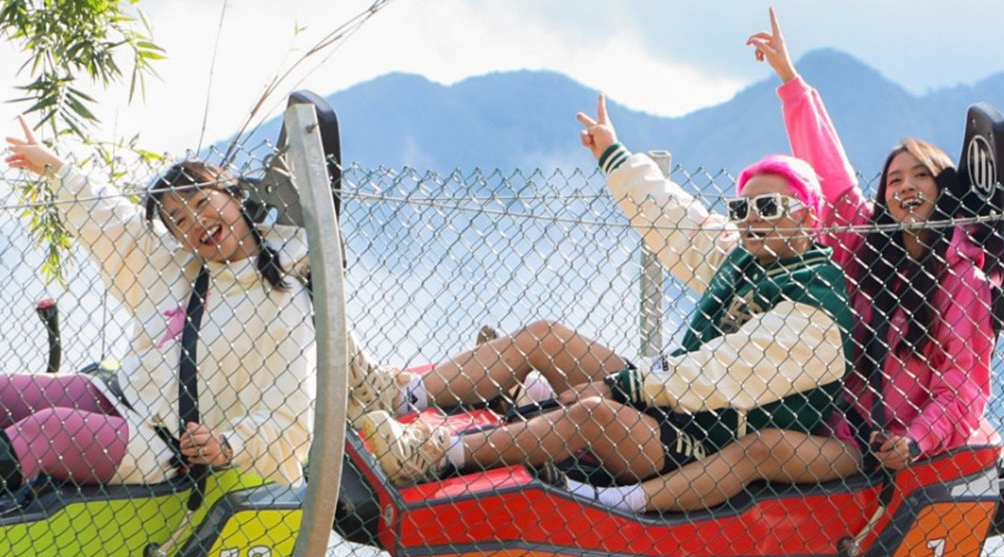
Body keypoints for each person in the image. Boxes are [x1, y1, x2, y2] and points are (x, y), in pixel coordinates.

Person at [0, 122, 376, 517]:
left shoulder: (288, 304)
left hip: (169, 451)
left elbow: (295, 420)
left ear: (233, 195)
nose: (197, 224)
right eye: (179, 219)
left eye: (204, 203)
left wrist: (229, 445)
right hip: (121, 396)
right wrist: (57, 170)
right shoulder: (183, 269)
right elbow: (113, 227)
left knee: (48, 430)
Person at [356, 94, 861, 512]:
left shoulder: (814, 302)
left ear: (808, 218)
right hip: (672, 407)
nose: (752, 218)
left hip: (705, 447)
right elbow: (679, 225)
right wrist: (614, 157)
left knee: (593, 413)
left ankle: (435, 453)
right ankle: (399, 396)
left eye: (769, 207)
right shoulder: (749, 259)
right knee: (546, 337)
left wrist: (624, 385)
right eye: (742, 207)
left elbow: (725, 373)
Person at [748, 8, 1001, 480]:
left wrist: (915, 439)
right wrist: (789, 80)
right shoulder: (865, 244)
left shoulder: (962, 277)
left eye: (921, 176)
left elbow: (962, 385)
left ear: (944, 190)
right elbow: (829, 168)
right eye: (894, 179)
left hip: (899, 447)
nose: (905, 187)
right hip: (836, 424)